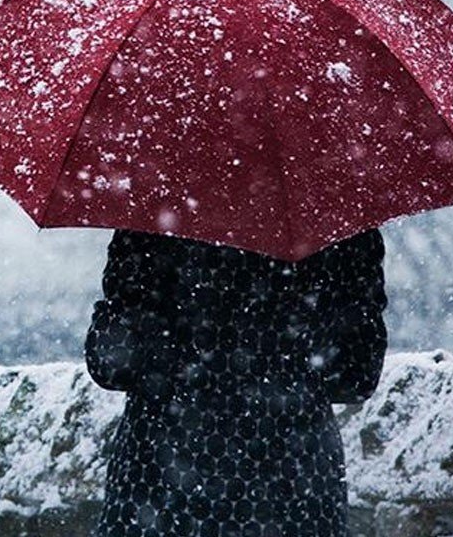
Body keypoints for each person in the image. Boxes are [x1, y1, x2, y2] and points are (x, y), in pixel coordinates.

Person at [84, 227, 387, 537]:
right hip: (294, 483)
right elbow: (356, 376)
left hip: (161, 484)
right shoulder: (332, 219)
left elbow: (112, 365)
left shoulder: (153, 216)